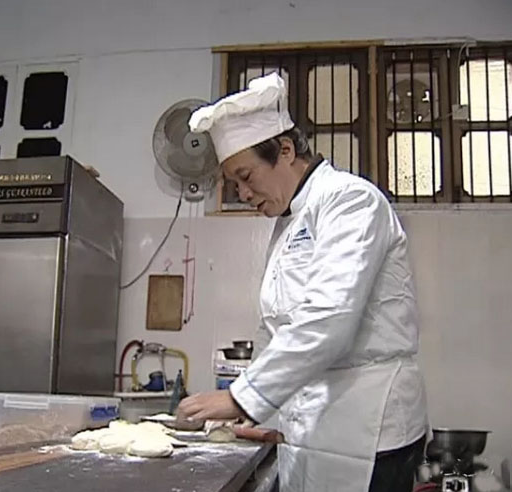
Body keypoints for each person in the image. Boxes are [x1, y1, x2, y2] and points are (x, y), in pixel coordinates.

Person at [176, 73, 428, 492]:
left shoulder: (350, 200)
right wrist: (258, 412)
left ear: (286, 150)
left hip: (369, 426)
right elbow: (276, 329)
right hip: (312, 424)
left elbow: (328, 319)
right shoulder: (289, 221)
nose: (242, 193)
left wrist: (241, 397)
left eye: (246, 176)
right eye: (234, 184)